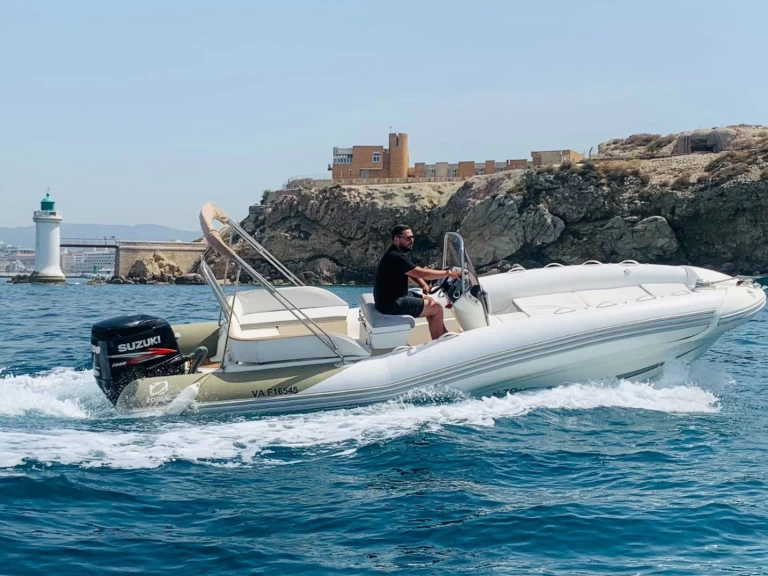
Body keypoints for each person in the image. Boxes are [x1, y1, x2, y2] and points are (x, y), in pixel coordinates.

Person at [374, 224, 461, 340]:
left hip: (392, 298)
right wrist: (448, 273)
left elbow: (411, 272)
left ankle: (443, 334)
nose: (411, 241)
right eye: (407, 238)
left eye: (412, 237)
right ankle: (438, 343)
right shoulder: (395, 257)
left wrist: (423, 284)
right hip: (392, 303)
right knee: (436, 308)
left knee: (430, 301)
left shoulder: (398, 253)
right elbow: (422, 273)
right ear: (396, 239)